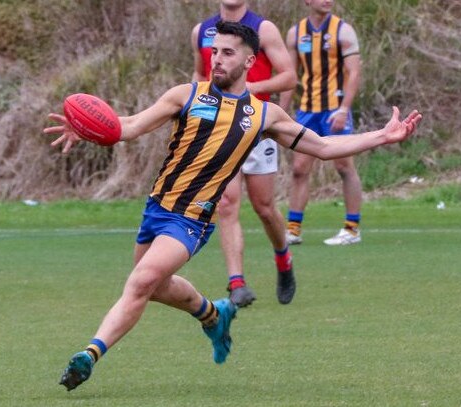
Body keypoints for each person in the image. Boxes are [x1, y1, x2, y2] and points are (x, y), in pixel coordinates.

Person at [44, 21, 421, 391]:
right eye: (214, 52)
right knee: (156, 288)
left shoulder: (263, 115)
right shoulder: (185, 95)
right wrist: (89, 128)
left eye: (227, 53)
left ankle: (89, 355)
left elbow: (322, 147)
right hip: (157, 208)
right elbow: (127, 127)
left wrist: (381, 136)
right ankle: (213, 313)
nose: (217, 60)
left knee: (141, 281)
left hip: (192, 220)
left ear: (248, 61)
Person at [191, 0, 297, 307]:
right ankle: (237, 283)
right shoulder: (202, 31)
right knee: (225, 203)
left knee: (264, 208)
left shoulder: (264, 29)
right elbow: (199, 75)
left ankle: (284, 259)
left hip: (255, 126)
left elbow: (289, 77)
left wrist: (252, 86)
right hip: (221, 129)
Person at [281, 0, 363, 246]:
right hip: (307, 111)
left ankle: (352, 229)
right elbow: (289, 77)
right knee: (299, 168)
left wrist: (344, 109)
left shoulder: (343, 31)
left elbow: (354, 72)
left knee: (343, 165)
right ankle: (293, 230)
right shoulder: (296, 33)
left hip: (335, 110)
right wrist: (279, 113)